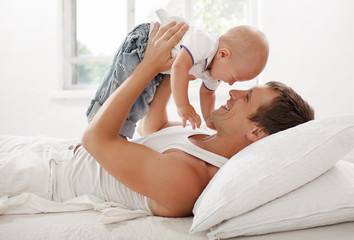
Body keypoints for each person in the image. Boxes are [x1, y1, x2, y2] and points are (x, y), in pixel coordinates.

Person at [0, 22, 314, 218]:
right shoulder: (202, 139)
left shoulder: (187, 180)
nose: (231, 92)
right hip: (48, 151)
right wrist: (180, 64)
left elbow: (95, 140)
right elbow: (154, 127)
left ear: (256, 131)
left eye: (246, 98)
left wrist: (147, 68)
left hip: (43, 178)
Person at [86, 9, 269, 138]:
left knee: (139, 103)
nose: (230, 84)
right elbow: (179, 67)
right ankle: (98, 117)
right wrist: (184, 107)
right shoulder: (204, 43)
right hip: (145, 42)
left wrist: (208, 118)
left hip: (159, 66)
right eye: (234, 78)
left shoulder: (214, 72)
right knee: (120, 85)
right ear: (223, 54)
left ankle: (114, 133)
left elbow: (207, 93)